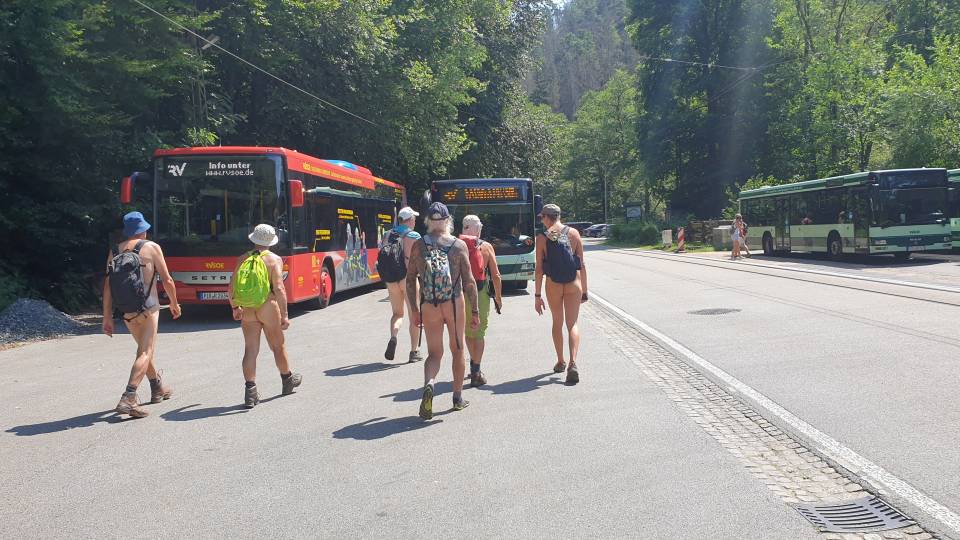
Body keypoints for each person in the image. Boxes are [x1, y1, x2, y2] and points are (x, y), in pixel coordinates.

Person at [102, 211, 181, 418]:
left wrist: (107, 317)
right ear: (144, 230)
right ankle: (128, 398)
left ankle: (158, 388)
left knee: (143, 351)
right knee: (145, 353)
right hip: (149, 308)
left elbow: (108, 286)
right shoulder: (152, 247)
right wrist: (174, 303)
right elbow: (167, 280)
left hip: (127, 311)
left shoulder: (114, 251)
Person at [406, 202, 480, 419]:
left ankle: (430, 383)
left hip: (430, 304)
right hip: (454, 303)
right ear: (448, 221)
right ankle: (457, 398)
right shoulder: (458, 246)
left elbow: (411, 280)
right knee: (458, 350)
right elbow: (469, 282)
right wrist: (475, 311)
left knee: (434, 354)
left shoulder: (419, 246)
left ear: (427, 222)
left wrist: (414, 309)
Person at [228, 224, 302, 408]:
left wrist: (235, 306)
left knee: (250, 349)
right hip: (267, 305)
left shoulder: (242, 259)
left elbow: (231, 287)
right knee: (278, 346)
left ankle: (250, 391)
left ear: (253, 239)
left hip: (247, 308)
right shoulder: (274, 259)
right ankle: (287, 380)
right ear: (270, 241)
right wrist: (285, 314)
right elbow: (278, 287)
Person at [534, 204, 587, 385]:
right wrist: (585, 290)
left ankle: (560, 360)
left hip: (553, 284)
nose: (542, 221)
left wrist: (537, 295)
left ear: (548, 218)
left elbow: (539, 269)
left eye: (542, 218)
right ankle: (573, 362)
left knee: (557, 322)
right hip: (574, 282)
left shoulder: (542, 238)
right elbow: (582, 265)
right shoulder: (574, 233)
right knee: (572, 324)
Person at [459, 215, 503, 387]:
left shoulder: (455, 245)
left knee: (468, 331)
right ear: (478, 229)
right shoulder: (486, 247)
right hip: (480, 292)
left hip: (460, 293)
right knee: (479, 331)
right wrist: (498, 297)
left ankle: (473, 365)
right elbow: (496, 275)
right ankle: (476, 369)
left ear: (463, 228)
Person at [379, 206, 424, 363]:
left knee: (397, 314)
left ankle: (393, 336)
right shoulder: (414, 235)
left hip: (391, 279)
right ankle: (414, 352)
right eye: (414, 219)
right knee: (414, 316)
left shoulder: (387, 235)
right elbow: (421, 260)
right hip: (409, 279)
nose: (415, 221)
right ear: (410, 220)